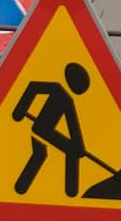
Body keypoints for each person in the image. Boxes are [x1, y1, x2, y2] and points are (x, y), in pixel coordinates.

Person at [11, 63, 91, 196]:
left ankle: (70, 192)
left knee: (43, 155)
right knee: (47, 154)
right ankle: (71, 191)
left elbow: (73, 126)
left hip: (44, 130)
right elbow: (33, 87)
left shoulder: (66, 98)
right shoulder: (59, 91)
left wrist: (79, 146)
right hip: (42, 129)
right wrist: (20, 110)